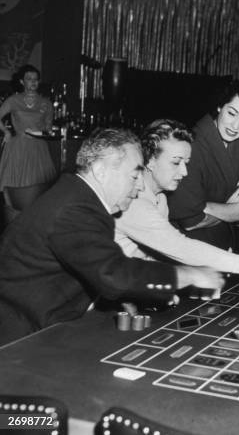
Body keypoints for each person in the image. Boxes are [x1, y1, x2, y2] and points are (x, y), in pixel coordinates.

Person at [0, 128, 223, 347]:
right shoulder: (76, 209)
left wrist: (123, 295)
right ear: (100, 170)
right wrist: (187, 274)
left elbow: (90, 265)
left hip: (39, 320)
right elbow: (113, 274)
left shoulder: (77, 196)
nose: (139, 186)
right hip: (18, 338)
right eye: (135, 175)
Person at [114, 119, 239, 303]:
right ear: (149, 160)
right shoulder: (132, 201)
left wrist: (165, 286)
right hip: (93, 306)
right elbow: (179, 246)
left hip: (123, 295)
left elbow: (150, 256)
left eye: (186, 162)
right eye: (176, 162)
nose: (184, 172)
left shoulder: (161, 199)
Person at [167, 80, 239, 250]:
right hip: (185, 247)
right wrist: (230, 208)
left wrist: (205, 207)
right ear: (220, 106)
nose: (236, 126)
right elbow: (190, 221)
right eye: (232, 113)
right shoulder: (191, 145)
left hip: (222, 244)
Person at [0, 64, 56, 194]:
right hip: (18, 147)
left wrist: (44, 132)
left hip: (39, 148)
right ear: (22, 81)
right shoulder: (13, 100)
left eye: (36, 79)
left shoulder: (46, 103)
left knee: (38, 191)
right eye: (29, 79)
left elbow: (48, 129)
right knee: (15, 190)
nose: (33, 82)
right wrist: (6, 132)